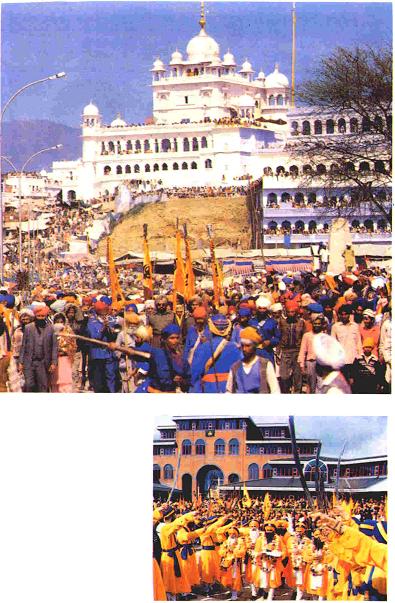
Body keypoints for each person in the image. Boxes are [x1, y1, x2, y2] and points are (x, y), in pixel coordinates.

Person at [190, 314, 242, 393]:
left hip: (208, 388)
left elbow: (195, 373)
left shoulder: (203, 348)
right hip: (230, 387)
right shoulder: (235, 347)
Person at [226, 327, 280, 393]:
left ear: (255, 346)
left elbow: (275, 390)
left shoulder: (265, 365)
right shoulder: (235, 367)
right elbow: (229, 391)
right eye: (242, 346)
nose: (244, 349)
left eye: (248, 346)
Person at [19, 305, 58, 393]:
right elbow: (23, 345)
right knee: (29, 384)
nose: (40, 318)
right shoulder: (29, 328)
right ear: (35, 316)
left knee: (43, 386)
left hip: (43, 362)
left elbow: (54, 346)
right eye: (38, 316)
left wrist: (54, 362)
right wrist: (21, 362)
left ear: (45, 316)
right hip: (29, 361)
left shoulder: (50, 328)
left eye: (42, 316)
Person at [85, 299, 120, 393]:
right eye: (103, 311)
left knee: (111, 375)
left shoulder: (112, 320)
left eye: (106, 310)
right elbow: (95, 337)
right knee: (99, 379)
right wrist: (103, 328)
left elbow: (117, 335)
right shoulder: (92, 321)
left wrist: (111, 330)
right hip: (98, 354)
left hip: (109, 353)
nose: (105, 313)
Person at [146, 324, 190, 393]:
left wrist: (181, 380)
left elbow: (188, 379)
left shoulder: (181, 359)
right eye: (172, 338)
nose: (175, 341)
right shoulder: (157, 354)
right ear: (164, 339)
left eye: (177, 338)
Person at [277, 300, 305, 393]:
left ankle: (297, 393)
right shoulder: (282, 322)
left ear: (296, 312)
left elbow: (304, 337)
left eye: (292, 312)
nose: (290, 314)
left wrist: (304, 354)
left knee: (298, 376)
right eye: (288, 312)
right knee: (284, 375)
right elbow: (279, 337)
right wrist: (278, 353)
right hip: (285, 351)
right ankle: (286, 392)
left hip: (297, 351)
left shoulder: (301, 322)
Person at [331, 304, 362, 382]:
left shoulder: (355, 326)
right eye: (342, 314)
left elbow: (358, 342)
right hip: (342, 360)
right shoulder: (335, 327)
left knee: (354, 384)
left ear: (349, 315)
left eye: (346, 314)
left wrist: (360, 356)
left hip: (354, 359)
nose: (344, 316)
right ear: (339, 315)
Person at [298, 314, 326, 394]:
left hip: (321, 363)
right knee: (311, 385)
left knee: (321, 384)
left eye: (318, 324)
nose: (317, 325)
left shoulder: (324, 336)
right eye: (315, 323)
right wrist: (302, 365)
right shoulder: (307, 335)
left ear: (321, 324)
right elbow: (302, 350)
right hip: (311, 362)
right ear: (312, 324)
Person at [51, 312, 77, 393]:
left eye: (61, 322)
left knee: (65, 383)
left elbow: (73, 345)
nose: (59, 324)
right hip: (54, 361)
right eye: (57, 322)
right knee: (54, 383)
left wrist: (63, 350)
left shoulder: (69, 331)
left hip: (65, 359)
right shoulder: (50, 331)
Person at [254, 297, 281, 365]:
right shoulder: (251, 321)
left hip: (267, 352)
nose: (262, 310)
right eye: (260, 308)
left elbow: (278, 338)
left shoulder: (272, 322)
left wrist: (270, 341)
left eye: (264, 308)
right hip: (254, 353)